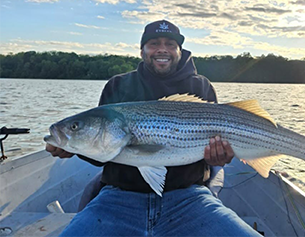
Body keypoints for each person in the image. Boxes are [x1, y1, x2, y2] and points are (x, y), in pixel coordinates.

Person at [44, 20, 260, 236]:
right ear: (142, 50)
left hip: (189, 197)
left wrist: (217, 158)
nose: (162, 49)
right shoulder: (117, 85)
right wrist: (74, 149)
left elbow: (209, 157)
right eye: (154, 43)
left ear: (179, 50)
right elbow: (102, 151)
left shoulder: (200, 86)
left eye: (170, 44)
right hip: (117, 198)